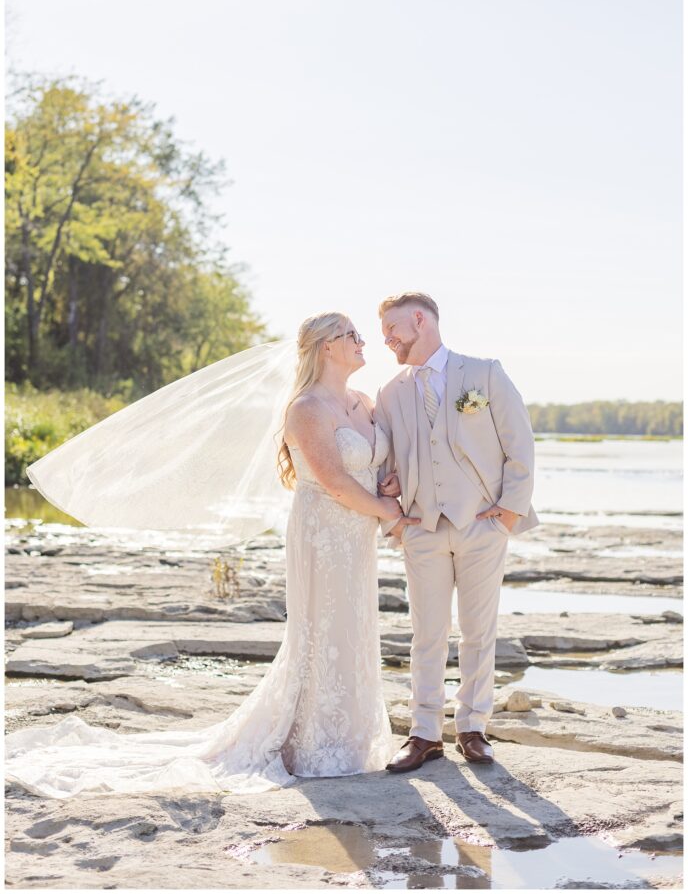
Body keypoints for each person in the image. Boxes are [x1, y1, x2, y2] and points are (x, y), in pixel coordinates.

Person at [6, 311, 418, 799]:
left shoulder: (363, 401)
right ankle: (311, 744)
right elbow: (333, 481)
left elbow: (374, 463)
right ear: (326, 346)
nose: (361, 340)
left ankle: (350, 739)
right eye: (351, 334)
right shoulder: (306, 408)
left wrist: (389, 482)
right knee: (323, 627)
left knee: (354, 625)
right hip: (322, 534)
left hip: (357, 537)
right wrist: (390, 513)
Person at [374, 292, 538, 773]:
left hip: (482, 525)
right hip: (422, 529)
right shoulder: (390, 393)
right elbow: (386, 466)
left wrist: (509, 513)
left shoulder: (484, 374)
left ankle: (473, 728)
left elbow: (520, 447)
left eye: (392, 330)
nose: (387, 341)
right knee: (425, 635)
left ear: (420, 320)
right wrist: (395, 518)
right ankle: (424, 734)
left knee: (477, 632)